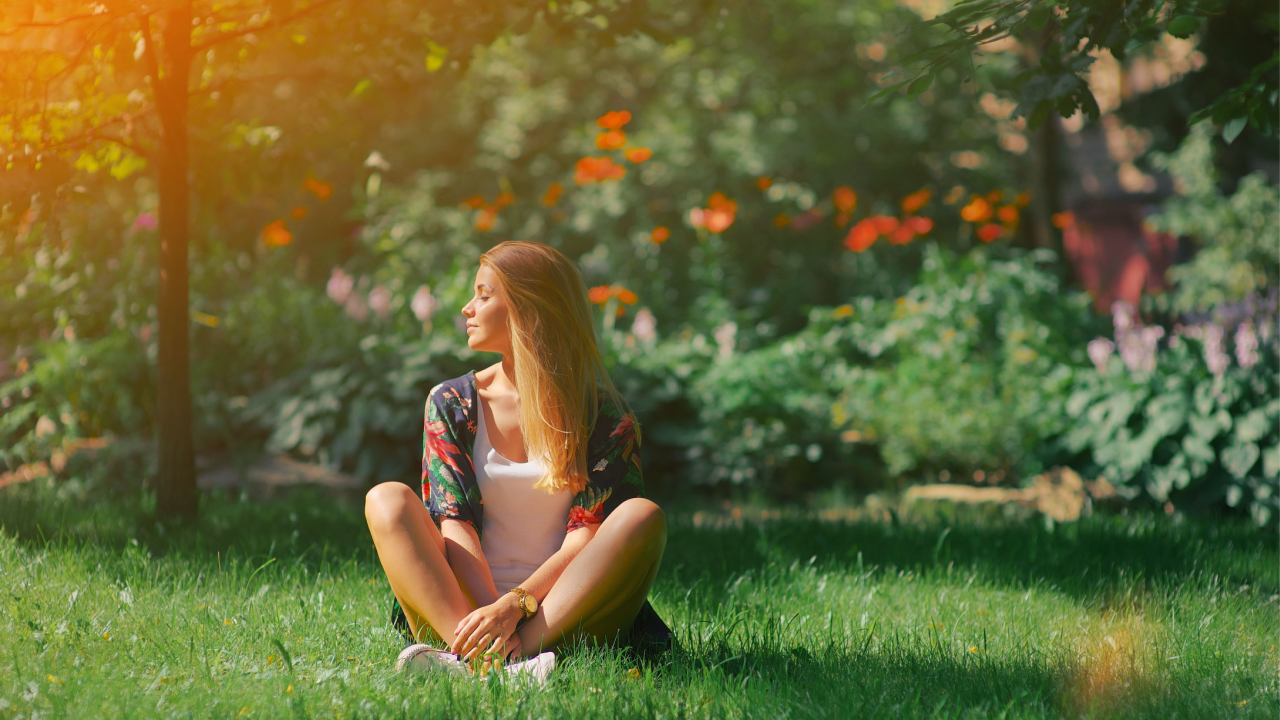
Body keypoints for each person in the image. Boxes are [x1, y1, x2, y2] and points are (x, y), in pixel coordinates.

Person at [364, 241, 669, 674]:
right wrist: (491, 618)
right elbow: (455, 525)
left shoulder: (604, 416)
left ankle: (501, 661)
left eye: (484, 295)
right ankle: (486, 660)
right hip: (464, 612)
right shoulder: (452, 402)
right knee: (386, 499)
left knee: (642, 516)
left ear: (530, 309)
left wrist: (516, 607)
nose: (468, 308)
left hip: (564, 611)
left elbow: (585, 538)